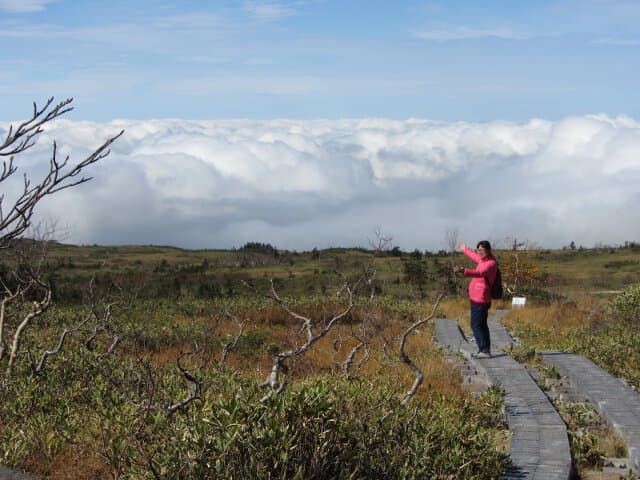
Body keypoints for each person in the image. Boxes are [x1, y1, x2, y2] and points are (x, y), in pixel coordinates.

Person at [454, 240, 498, 359]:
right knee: (482, 324)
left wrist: (464, 271)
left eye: (481, 250)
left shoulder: (490, 264)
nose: (479, 252)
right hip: (478, 298)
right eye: (478, 249)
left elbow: (480, 273)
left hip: (481, 299)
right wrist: (465, 249)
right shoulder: (483, 260)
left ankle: (484, 350)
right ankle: (485, 349)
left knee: (476, 325)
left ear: (488, 250)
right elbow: (474, 256)